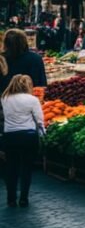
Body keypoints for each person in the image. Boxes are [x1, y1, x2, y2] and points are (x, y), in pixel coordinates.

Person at [2, 74, 45, 207]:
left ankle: (11, 198)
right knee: (26, 168)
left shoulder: (5, 98)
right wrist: (43, 134)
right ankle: (24, 198)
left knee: (11, 168)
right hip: (28, 136)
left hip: (10, 136)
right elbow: (39, 120)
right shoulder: (32, 99)